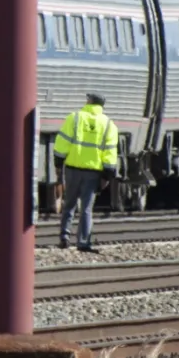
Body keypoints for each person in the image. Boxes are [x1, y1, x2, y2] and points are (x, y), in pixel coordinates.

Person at [54, 93, 119, 252]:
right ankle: (83, 242)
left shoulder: (74, 118)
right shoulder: (109, 125)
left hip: (73, 169)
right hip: (93, 172)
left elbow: (62, 143)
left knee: (69, 204)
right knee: (86, 208)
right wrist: (107, 175)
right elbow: (110, 153)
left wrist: (58, 163)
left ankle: (65, 237)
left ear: (89, 102)